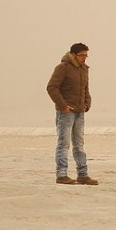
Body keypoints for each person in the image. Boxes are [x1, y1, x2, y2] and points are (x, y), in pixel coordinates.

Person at [46, 42, 99, 185]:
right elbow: (51, 87)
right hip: (66, 113)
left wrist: (87, 103)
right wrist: (63, 106)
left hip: (80, 112)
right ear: (74, 55)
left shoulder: (84, 69)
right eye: (82, 55)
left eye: (86, 55)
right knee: (64, 144)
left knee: (79, 145)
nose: (84, 58)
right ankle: (61, 175)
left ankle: (83, 174)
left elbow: (86, 88)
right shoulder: (63, 68)